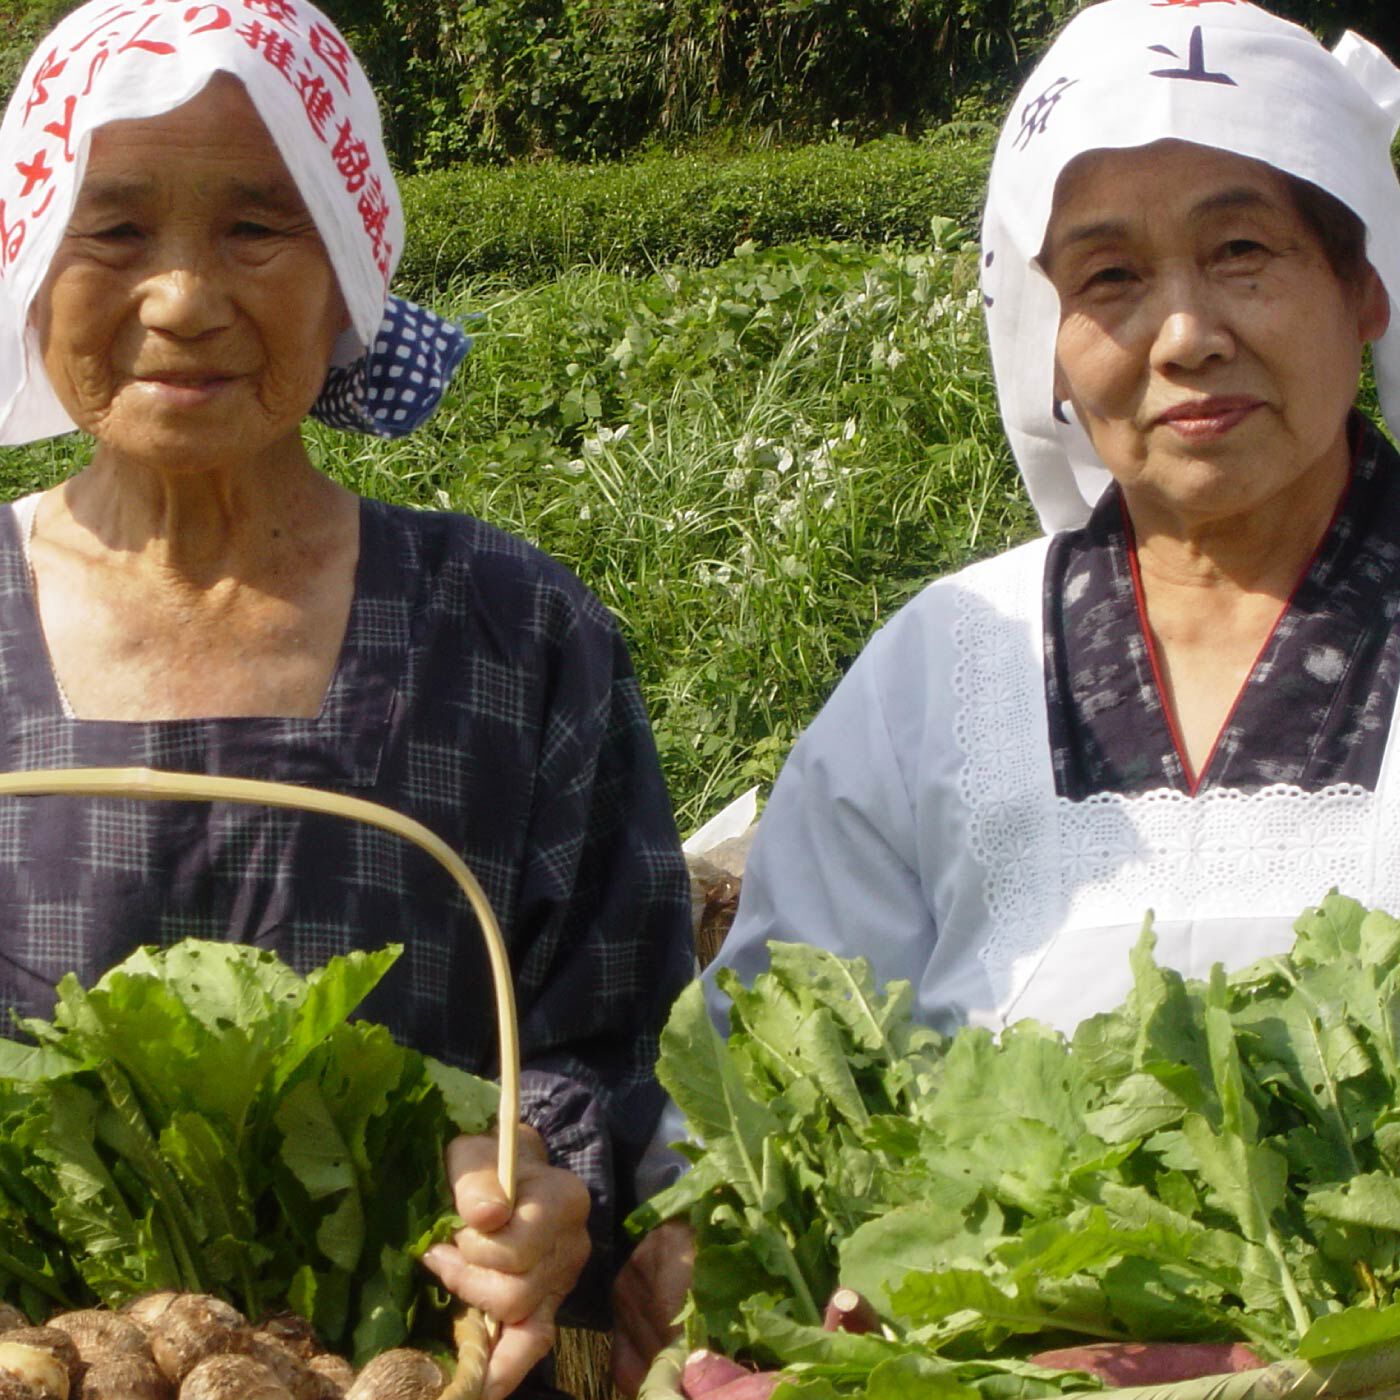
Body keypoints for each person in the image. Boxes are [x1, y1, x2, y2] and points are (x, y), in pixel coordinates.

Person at [611, 0, 1400, 1390]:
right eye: (1110, 276)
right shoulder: (947, 658)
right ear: (1049, 340)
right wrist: (709, 1249)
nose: (1184, 334)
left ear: (1364, 293)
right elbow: (766, 1069)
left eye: (1243, 252)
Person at [0, 5, 694, 1398]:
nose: (183, 298)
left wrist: (540, 1184)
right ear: (24, 263)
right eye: (114, 229)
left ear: (349, 270)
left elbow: (613, 1037)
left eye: (258, 227)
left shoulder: (506, 628)